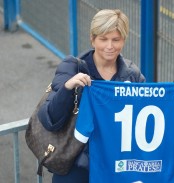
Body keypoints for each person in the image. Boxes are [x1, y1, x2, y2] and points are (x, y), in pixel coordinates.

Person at [37, 9, 146, 183]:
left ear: (123, 40)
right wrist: (68, 87)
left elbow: (145, 116)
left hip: (114, 166)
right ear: (92, 38)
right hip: (75, 166)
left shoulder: (133, 76)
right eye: (103, 39)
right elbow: (49, 118)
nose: (109, 46)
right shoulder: (72, 68)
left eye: (116, 40)